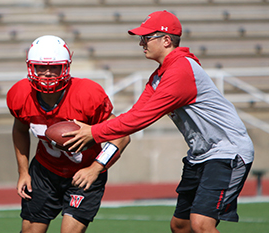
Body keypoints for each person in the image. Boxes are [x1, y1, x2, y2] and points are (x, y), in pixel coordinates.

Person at [63, 10, 254, 233]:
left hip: (227, 152)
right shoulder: (159, 76)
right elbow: (134, 114)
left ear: (166, 40)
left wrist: (94, 133)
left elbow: (141, 118)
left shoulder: (181, 70)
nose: (141, 43)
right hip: (201, 155)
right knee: (180, 226)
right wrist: (98, 133)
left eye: (146, 37)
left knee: (202, 224)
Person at [6, 35, 130, 233]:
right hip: (45, 170)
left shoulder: (87, 94)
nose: (47, 73)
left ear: (66, 67)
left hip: (84, 172)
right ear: (31, 67)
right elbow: (20, 129)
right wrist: (23, 172)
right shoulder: (20, 94)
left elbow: (121, 135)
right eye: (41, 67)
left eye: (54, 67)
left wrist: (95, 168)